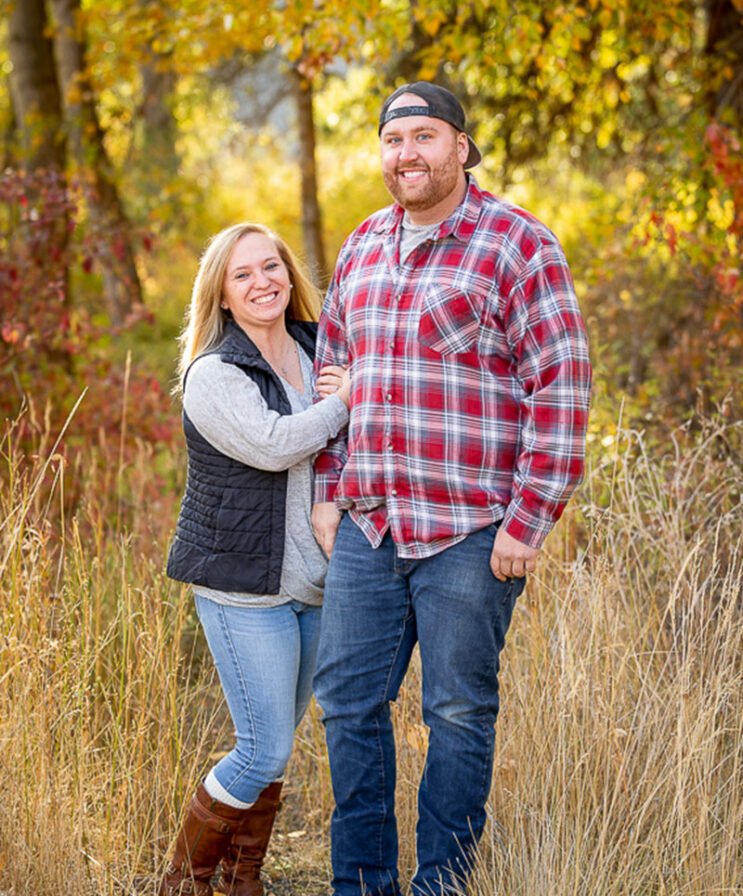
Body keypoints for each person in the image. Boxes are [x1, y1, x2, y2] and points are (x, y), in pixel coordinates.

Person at [311, 82, 592, 896]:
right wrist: (331, 489)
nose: (408, 154)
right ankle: (362, 884)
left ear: (461, 147)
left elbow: (561, 388)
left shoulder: (516, 244)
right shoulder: (362, 245)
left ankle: (443, 883)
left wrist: (527, 522)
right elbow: (336, 378)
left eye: (425, 136)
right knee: (346, 709)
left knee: (457, 715)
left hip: (470, 531)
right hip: (369, 527)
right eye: (394, 140)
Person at [160, 222, 350, 896]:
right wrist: (342, 402)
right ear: (222, 295)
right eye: (243, 274)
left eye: (270, 267)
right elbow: (275, 444)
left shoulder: (317, 344)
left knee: (276, 747)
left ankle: (245, 881)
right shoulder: (213, 373)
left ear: (288, 274)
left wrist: (343, 395)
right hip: (244, 586)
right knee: (262, 747)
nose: (262, 281)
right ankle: (183, 882)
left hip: (314, 581)